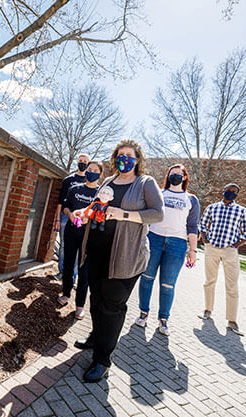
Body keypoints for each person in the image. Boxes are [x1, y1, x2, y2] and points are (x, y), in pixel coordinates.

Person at [72, 139, 164, 383]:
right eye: (120, 155)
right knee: (96, 299)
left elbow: (157, 214)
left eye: (129, 155)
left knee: (112, 307)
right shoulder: (109, 181)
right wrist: (85, 211)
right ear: (115, 158)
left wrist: (123, 215)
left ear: (137, 160)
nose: (124, 159)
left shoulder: (145, 183)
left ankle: (102, 359)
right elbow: (98, 205)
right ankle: (95, 337)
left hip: (125, 256)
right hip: (97, 250)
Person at [134, 164, 200, 336]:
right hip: (154, 239)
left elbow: (192, 227)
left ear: (185, 177)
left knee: (168, 285)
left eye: (180, 174)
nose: (176, 176)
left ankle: (163, 320)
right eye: (173, 173)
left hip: (177, 245)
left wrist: (192, 251)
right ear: (168, 175)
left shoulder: (191, 199)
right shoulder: (159, 194)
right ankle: (143, 313)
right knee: (147, 278)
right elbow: (146, 216)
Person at [198, 183, 246, 336]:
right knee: (210, 281)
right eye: (228, 191)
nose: (231, 193)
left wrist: (236, 244)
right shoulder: (212, 207)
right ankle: (207, 310)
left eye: (234, 192)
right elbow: (202, 223)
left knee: (232, 286)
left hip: (230, 251)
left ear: (237, 195)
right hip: (212, 248)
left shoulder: (242, 211)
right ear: (223, 191)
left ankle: (232, 320)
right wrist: (204, 238)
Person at [57, 162, 103, 319]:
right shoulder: (75, 189)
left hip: (89, 237)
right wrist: (70, 214)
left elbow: (101, 216)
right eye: (90, 170)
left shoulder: (101, 195)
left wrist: (88, 220)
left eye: (96, 171)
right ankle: (66, 294)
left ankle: (80, 305)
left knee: (84, 271)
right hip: (71, 232)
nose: (92, 172)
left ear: (100, 174)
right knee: (68, 265)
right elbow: (66, 206)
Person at [54, 154, 90, 279]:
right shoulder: (68, 180)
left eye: (85, 161)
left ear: (88, 164)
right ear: (77, 162)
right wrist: (58, 219)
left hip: (82, 220)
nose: (82, 163)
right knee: (64, 245)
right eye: (80, 161)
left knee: (78, 248)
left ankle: (72, 276)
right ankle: (62, 272)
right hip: (65, 217)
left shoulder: (89, 181)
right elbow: (60, 201)